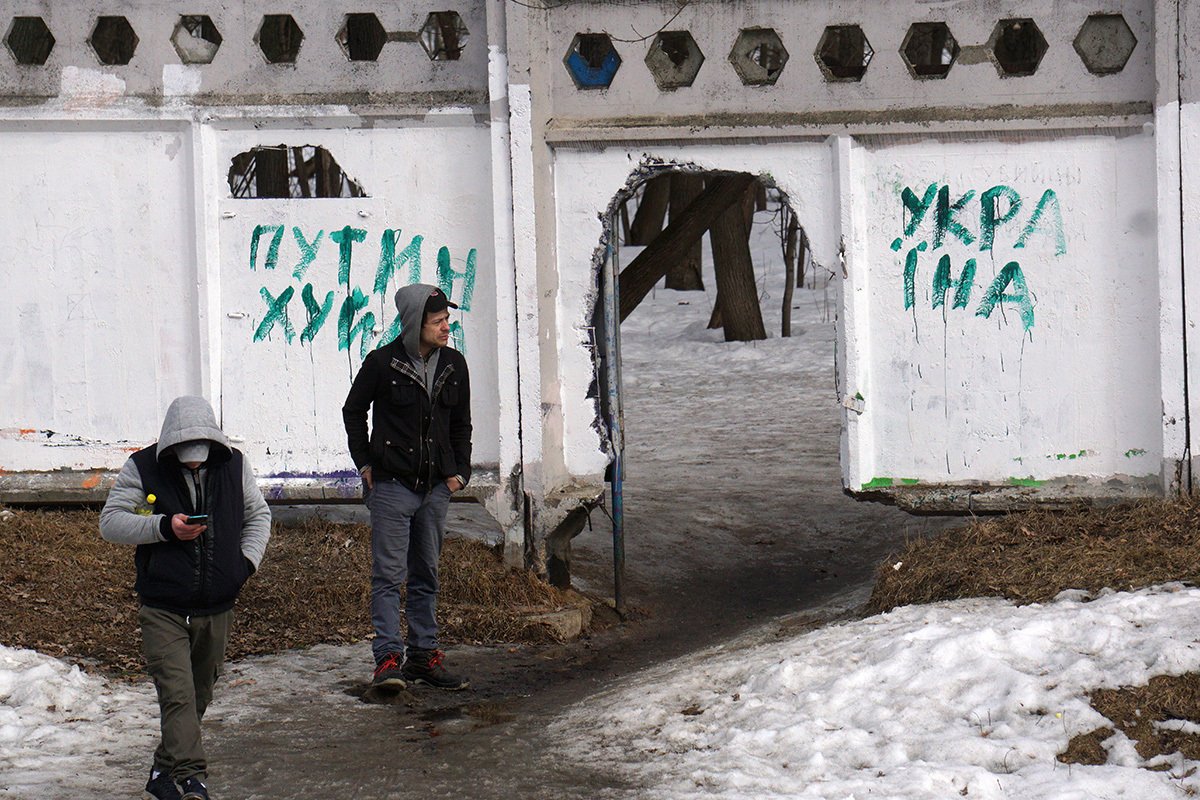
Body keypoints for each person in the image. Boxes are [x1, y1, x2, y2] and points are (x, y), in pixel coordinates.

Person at [99, 396, 271, 800]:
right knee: (177, 694)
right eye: (185, 457)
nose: (194, 464)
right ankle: (193, 781)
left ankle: (162, 772)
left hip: (217, 605)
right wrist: (164, 527)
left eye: (200, 456)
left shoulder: (234, 465)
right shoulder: (143, 466)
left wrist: (243, 566)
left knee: (197, 697)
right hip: (163, 605)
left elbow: (258, 515)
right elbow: (111, 522)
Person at [342, 283, 473, 691]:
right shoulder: (382, 364)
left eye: (447, 320)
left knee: (426, 574)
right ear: (416, 324)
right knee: (388, 576)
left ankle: (423, 657)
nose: (446, 327)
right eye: (438, 321)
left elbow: (462, 423)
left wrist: (460, 473)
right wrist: (365, 463)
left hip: (436, 488)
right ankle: (387, 660)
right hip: (392, 486)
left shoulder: (455, 364)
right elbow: (353, 411)